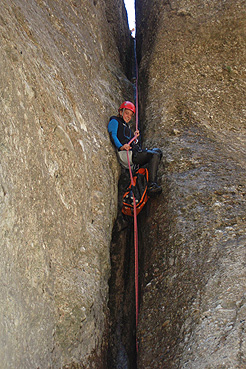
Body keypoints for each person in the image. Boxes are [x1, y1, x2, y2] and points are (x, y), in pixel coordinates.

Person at [108, 101, 162, 196]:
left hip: (133, 153)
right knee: (154, 155)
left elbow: (130, 142)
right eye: (126, 113)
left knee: (158, 151)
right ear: (121, 112)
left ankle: (146, 177)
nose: (128, 116)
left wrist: (135, 138)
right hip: (126, 155)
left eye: (130, 115)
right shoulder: (114, 121)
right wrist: (121, 146)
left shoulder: (127, 127)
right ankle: (151, 185)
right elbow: (113, 135)